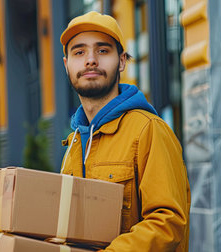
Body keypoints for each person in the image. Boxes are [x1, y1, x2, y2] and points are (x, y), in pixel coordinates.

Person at [59, 11, 190, 252]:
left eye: (102, 50)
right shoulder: (74, 142)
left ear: (121, 61)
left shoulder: (148, 130)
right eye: (79, 52)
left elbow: (168, 223)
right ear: (67, 65)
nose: (90, 60)